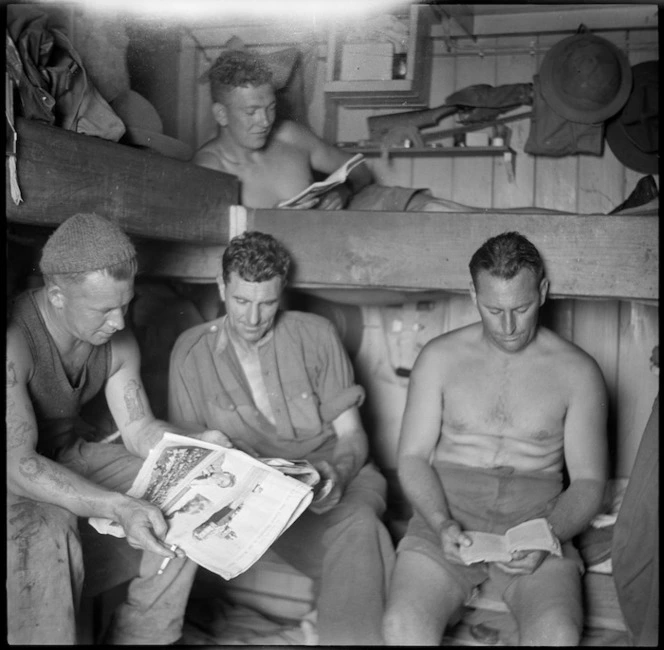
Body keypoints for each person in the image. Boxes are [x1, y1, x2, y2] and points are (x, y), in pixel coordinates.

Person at [6, 213, 231, 645]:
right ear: (55, 295)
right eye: (105, 309)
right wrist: (116, 506)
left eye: (126, 303)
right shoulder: (17, 338)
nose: (120, 322)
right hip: (15, 471)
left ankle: (142, 637)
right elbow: (18, 464)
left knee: (190, 494)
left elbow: (139, 429)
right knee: (46, 530)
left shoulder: (117, 337)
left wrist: (195, 447)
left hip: (70, 452)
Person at [168, 230, 396, 645]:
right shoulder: (190, 353)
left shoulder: (317, 334)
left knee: (361, 525)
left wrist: (336, 476)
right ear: (221, 287)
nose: (253, 319)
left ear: (282, 294)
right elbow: (192, 457)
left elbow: (353, 437)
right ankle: (336, 625)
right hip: (256, 494)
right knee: (363, 554)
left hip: (338, 472)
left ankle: (337, 629)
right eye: (241, 301)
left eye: (267, 303)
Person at [382, 231, 608, 646]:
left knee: (557, 635)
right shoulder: (438, 358)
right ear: (472, 294)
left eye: (520, 308)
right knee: (402, 628)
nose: (508, 327)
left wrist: (549, 533)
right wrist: (440, 522)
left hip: (536, 515)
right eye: (493, 309)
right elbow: (412, 457)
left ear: (542, 291)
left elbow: (591, 481)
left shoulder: (578, 372)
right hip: (449, 510)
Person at [194, 49, 567, 215]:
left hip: (355, 211)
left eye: (271, 107)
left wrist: (339, 190)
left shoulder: (289, 135)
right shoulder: (207, 168)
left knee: (444, 211)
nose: (265, 120)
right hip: (306, 255)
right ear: (220, 114)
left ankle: (597, 227)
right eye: (251, 111)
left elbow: (359, 168)